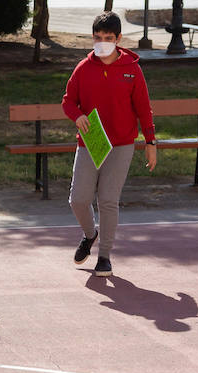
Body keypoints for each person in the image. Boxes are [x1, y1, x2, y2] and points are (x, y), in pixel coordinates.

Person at [61, 12, 156, 279]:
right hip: (90, 142)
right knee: (78, 199)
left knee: (107, 200)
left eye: (108, 38)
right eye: (98, 38)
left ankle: (104, 256)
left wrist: (150, 141)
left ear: (118, 39)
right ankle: (90, 235)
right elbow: (68, 101)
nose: (102, 43)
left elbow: (143, 108)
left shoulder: (132, 69)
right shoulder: (83, 68)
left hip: (122, 143)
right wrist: (77, 115)